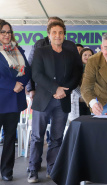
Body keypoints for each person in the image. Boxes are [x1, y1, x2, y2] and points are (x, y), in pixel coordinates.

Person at [27, 21, 83, 183]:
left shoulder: (71, 53)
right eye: (54, 32)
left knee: (57, 138)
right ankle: (33, 169)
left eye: (60, 32)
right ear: (49, 34)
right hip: (43, 100)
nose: (57, 35)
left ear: (64, 34)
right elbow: (36, 74)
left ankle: (52, 168)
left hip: (62, 101)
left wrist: (65, 90)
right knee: (37, 137)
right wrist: (55, 89)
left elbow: (77, 74)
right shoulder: (40, 51)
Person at [0, 20, 31, 181]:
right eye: (3, 32)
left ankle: (6, 171)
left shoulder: (17, 49)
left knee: (10, 138)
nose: (7, 35)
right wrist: (13, 85)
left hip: (14, 102)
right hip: (1, 99)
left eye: (8, 32)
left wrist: (21, 84)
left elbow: (27, 70)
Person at [68, 48, 94, 122]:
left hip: (91, 102)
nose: (87, 57)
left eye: (90, 55)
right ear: (81, 56)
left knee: (90, 124)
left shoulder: (96, 69)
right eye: (85, 55)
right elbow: (74, 84)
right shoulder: (75, 69)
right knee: (77, 124)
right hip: (77, 100)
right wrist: (83, 95)